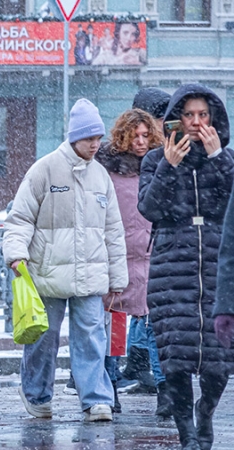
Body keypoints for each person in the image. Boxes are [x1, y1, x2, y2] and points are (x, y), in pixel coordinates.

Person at [3, 99, 127, 422]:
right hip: (47, 273)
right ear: (74, 137)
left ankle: (96, 399)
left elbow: (113, 231)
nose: (96, 145)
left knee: (91, 337)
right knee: (44, 339)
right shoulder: (43, 169)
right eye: (90, 139)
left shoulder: (101, 177)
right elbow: (20, 218)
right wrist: (16, 255)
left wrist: (118, 280)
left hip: (90, 275)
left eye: (99, 138)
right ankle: (36, 395)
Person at [138, 84, 234, 450]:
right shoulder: (154, 161)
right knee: (175, 357)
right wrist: (168, 165)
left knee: (217, 360)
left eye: (203, 115)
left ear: (213, 119)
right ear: (176, 118)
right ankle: (187, 433)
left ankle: (205, 413)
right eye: (189, 115)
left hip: (214, 264)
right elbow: (149, 209)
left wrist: (219, 158)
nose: (196, 123)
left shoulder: (226, 159)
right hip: (170, 267)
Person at [93, 108, 164, 414]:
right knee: (114, 329)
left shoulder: (163, 166)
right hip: (117, 258)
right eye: (134, 135)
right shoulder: (107, 170)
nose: (140, 142)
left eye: (146, 135)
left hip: (153, 256)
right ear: (122, 136)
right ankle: (110, 388)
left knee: (158, 329)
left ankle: (167, 393)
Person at [115, 88, 172, 411]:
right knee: (118, 318)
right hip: (124, 250)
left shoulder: (165, 156)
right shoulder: (115, 164)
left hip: (153, 249)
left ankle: (164, 387)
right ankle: (110, 385)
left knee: (153, 319)